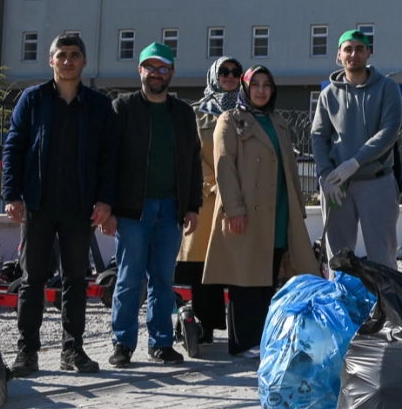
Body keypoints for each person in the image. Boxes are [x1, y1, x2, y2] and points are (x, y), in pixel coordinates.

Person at [2, 34, 118, 376]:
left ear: (84, 62)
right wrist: (11, 195)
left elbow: (109, 157)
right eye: (61, 55)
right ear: (51, 61)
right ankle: (27, 351)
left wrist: (106, 200)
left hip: (79, 207)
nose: (68, 61)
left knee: (75, 280)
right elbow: (13, 147)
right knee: (32, 278)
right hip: (38, 204)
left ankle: (73, 350)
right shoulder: (33, 100)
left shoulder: (98, 106)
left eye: (74, 55)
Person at [204, 66, 317, 357]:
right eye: (255, 84)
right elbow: (224, 168)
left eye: (267, 85)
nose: (262, 90)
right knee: (244, 279)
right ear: (245, 87)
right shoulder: (230, 120)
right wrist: (234, 209)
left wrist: (297, 211)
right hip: (246, 211)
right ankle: (242, 343)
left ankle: (263, 338)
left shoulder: (278, 121)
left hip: (278, 211)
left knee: (268, 276)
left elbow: (291, 169)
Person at [106, 42, 202, 367]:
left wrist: (192, 205)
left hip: (171, 208)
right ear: (140, 71)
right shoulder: (123, 108)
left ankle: (161, 342)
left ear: (172, 73)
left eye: (163, 68)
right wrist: (108, 206)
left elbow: (193, 162)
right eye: (151, 67)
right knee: (130, 277)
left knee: (163, 278)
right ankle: (122, 343)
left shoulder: (183, 112)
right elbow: (109, 161)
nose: (156, 74)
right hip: (134, 209)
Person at [311, 29, 402, 268]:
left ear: (369, 53)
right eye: (348, 49)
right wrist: (325, 175)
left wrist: (355, 162)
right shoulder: (328, 94)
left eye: (360, 49)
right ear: (338, 55)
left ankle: (386, 305)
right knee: (338, 258)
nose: (354, 54)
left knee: (382, 257)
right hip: (337, 186)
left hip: (377, 182)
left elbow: (389, 131)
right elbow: (318, 137)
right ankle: (342, 303)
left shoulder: (387, 88)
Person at [176, 56, 242, 353]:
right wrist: (213, 182)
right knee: (204, 265)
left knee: (239, 265)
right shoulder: (194, 114)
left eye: (235, 72)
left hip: (239, 198)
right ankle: (205, 327)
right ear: (214, 75)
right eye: (224, 71)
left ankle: (242, 331)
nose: (229, 76)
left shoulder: (248, 113)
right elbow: (188, 155)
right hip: (206, 197)